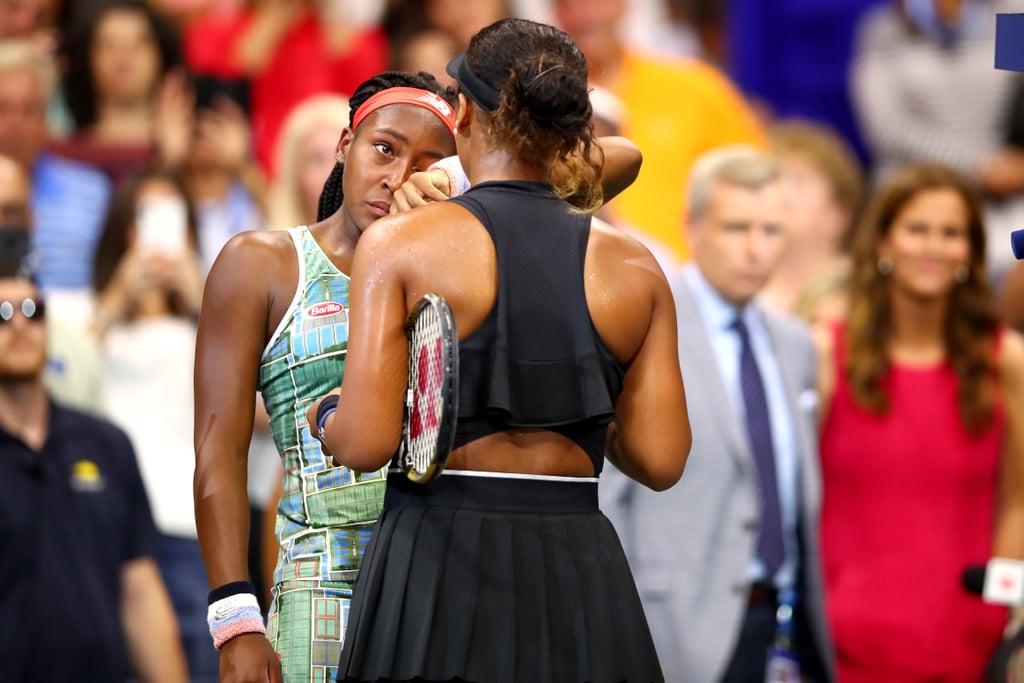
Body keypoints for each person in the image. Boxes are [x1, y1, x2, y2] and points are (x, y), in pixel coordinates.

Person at [315, 19, 690, 683]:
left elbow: (366, 442)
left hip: (433, 568)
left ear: (460, 114)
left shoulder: (402, 243)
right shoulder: (636, 268)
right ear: (574, 127)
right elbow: (660, 459)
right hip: (579, 570)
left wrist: (328, 416)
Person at [600, 145, 833, 682]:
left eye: (771, 231)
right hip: (670, 628)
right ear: (693, 225)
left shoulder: (795, 343)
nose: (755, 250)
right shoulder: (644, 323)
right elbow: (608, 496)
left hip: (782, 626)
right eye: (736, 228)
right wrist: (622, 635)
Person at [815, 162, 1024, 681]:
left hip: (967, 643)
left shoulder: (1007, 361)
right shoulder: (823, 349)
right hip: (840, 643)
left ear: (970, 252)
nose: (933, 246)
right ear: (883, 243)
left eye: (951, 233)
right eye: (917, 229)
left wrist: (997, 610)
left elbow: (1018, 500)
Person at [0, 268, 189, 682]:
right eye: (2, 313)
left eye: (33, 310)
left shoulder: (107, 444)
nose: (18, 324)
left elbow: (140, 589)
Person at [91, 166, 215, 681]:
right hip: (105, 529)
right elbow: (50, 388)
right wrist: (114, 301)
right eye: (145, 218)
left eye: (171, 219)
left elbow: (258, 413)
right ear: (123, 230)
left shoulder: (208, 327)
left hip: (189, 529)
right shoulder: (88, 317)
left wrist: (209, 304)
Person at [553, 0, 764, 261]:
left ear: (622, 5)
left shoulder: (694, 87)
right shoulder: (540, 104)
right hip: (574, 274)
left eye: (596, 2)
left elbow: (758, 182)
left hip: (685, 281)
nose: (584, 16)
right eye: (567, 5)